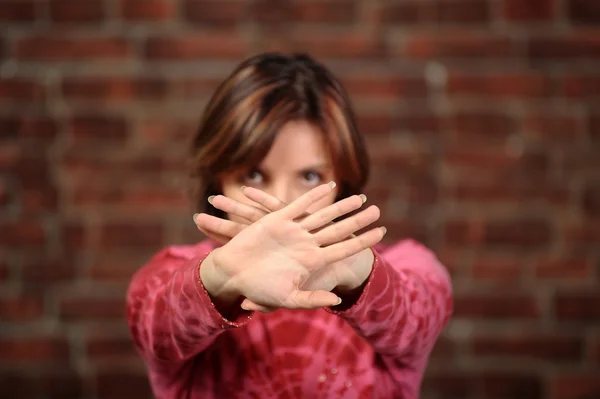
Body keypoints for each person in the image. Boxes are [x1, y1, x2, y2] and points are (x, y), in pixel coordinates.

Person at [126, 53, 453, 399]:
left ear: (343, 181)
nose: (283, 205)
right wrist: (219, 280)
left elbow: (419, 319)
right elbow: (153, 325)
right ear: (217, 178)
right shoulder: (169, 276)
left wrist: (355, 270)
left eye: (310, 177)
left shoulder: (409, 267)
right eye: (253, 174)